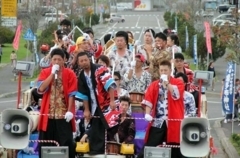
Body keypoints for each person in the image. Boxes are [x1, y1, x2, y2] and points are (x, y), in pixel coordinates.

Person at [137, 60, 185, 158]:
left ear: (170, 71)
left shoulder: (178, 82)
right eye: (161, 70)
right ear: (159, 71)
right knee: (150, 144)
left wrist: (167, 84)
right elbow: (148, 99)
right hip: (158, 120)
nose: (163, 73)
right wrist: (147, 113)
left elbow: (176, 95)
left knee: (175, 147)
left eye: (165, 70)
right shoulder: (154, 85)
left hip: (173, 120)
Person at [37, 48, 77, 158]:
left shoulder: (70, 73)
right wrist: (51, 74)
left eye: (59, 59)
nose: (57, 62)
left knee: (65, 143)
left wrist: (69, 110)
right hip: (48, 115)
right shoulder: (45, 72)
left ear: (64, 60)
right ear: (51, 60)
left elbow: (72, 94)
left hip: (63, 115)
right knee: (46, 143)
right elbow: (41, 89)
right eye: (54, 59)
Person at [76, 52, 118, 155]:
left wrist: (112, 101)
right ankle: (95, 150)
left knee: (109, 125)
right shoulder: (81, 75)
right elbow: (84, 95)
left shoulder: (100, 69)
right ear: (78, 63)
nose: (84, 62)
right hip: (93, 103)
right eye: (81, 61)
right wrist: (86, 109)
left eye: (86, 60)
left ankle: (105, 149)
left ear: (89, 59)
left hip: (106, 101)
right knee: (95, 126)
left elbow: (110, 85)